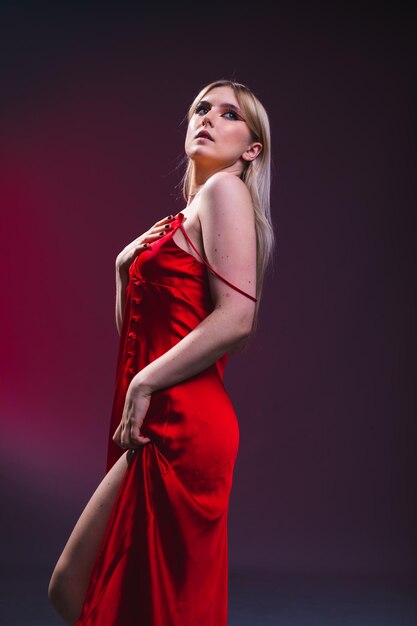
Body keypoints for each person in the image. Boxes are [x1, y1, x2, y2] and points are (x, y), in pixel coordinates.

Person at [48, 78, 275, 626]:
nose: (208, 118)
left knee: (94, 591)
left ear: (252, 149)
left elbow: (237, 319)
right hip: (156, 413)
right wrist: (124, 271)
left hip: (183, 420)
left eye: (228, 114)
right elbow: (135, 342)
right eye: (202, 108)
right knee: (110, 598)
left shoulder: (226, 191)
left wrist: (145, 383)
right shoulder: (185, 215)